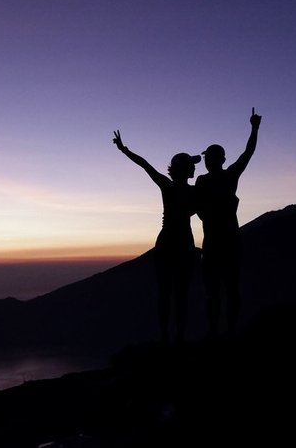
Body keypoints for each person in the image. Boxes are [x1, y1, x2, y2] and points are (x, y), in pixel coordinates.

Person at [112, 129, 199, 345]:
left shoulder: (168, 186)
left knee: (165, 293)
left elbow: (145, 165)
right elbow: (145, 165)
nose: (195, 167)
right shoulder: (194, 192)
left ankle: (165, 338)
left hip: (167, 241)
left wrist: (124, 150)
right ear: (186, 170)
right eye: (192, 165)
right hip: (183, 243)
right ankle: (178, 337)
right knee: (181, 293)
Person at [195, 107, 261, 338]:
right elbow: (248, 153)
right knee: (231, 290)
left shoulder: (202, 182)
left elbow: (194, 207)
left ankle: (215, 333)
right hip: (230, 241)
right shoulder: (229, 176)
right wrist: (254, 128)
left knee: (213, 292)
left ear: (210, 160)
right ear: (222, 159)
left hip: (213, 243)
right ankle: (230, 332)